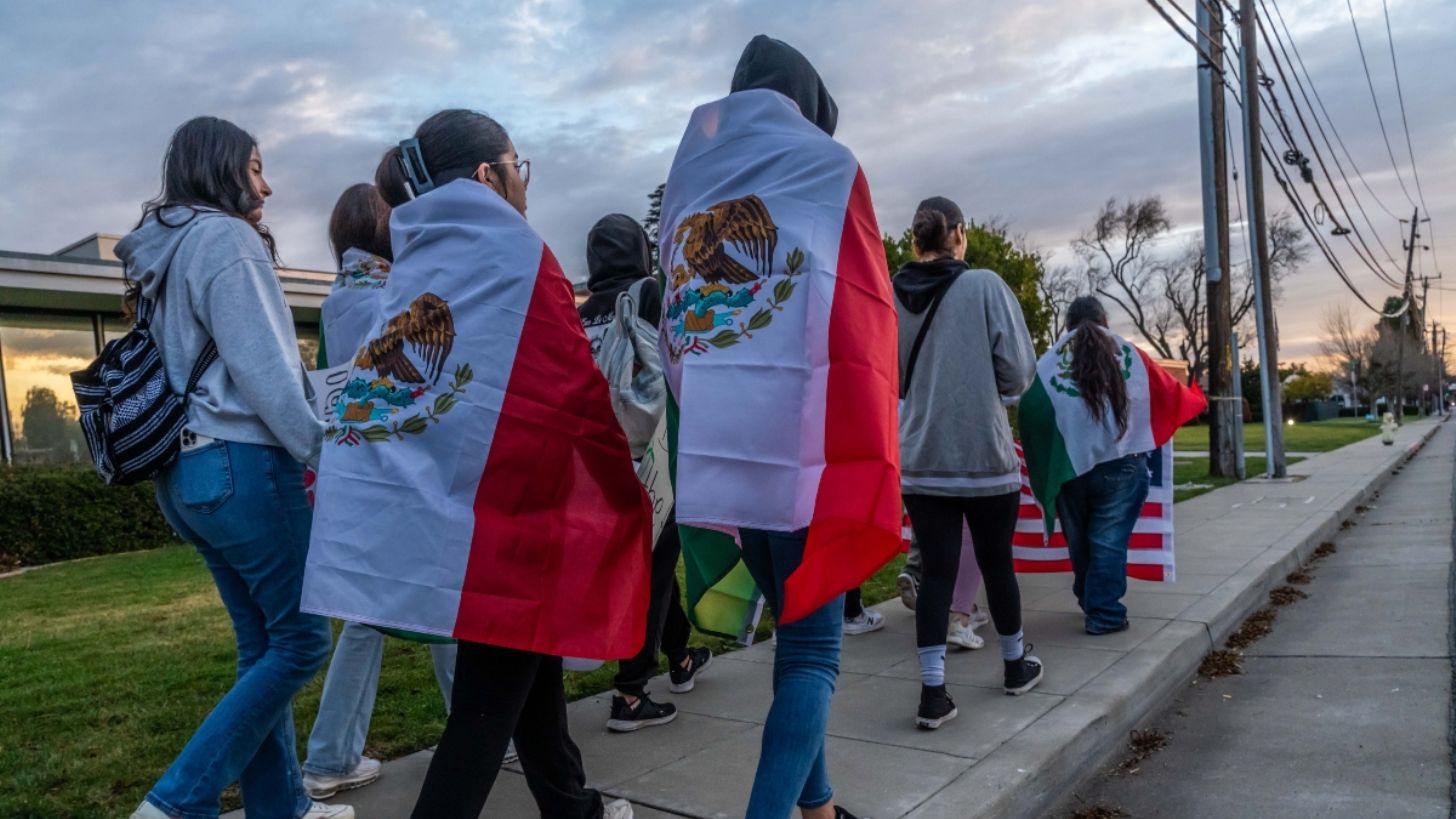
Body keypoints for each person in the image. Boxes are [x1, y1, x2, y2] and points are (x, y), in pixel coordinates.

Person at [305, 109, 644, 819]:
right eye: (519, 164)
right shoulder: (514, 254)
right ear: (490, 173)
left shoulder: (421, 258)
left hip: (462, 509)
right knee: (484, 713)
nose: (525, 181)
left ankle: (571, 805)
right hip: (507, 518)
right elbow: (570, 388)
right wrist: (617, 477)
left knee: (525, 664)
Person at [662, 35, 900, 819]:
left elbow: (678, 333)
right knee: (811, 653)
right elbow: (868, 318)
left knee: (795, 641)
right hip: (806, 455)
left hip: (725, 453)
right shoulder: (829, 173)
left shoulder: (693, 184)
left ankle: (818, 806)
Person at [121, 117, 347, 819]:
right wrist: (322, 448)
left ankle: (281, 808)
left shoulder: (159, 253)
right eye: (255, 168)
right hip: (242, 465)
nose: (266, 184)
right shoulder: (225, 241)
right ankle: (175, 802)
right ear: (223, 168)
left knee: (264, 646)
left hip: (184, 478)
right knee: (303, 640)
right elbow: (266, 371)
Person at [301, 184, 472, 800]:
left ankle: (330, 756)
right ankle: (479, 730)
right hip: (404, 466)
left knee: (369, 616)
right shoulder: (393, 295)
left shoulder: (334, 300)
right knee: (442, 599)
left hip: (355, 470)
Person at [895, 195, 1044, 731]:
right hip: (984, 455)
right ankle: (1013, 665)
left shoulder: (889, 294)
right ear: (959, 233)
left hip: (920, 457)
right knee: (996, 563)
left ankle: (933, 694)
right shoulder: (985, 286)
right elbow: (1019, 375)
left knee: (935, 573)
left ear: (915, 239)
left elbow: (885, 372)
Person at [578, 213, 711, 732]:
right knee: (656, 565)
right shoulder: (647, 294)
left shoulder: (585, 312)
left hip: (599, 461)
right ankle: (630, 693)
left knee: (656, 555)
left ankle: (679, 657)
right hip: (650, 456)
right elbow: (674, 362)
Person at [1020, 296, 1202, 634]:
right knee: (1108, 542)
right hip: (1122, 464)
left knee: (1081, 541)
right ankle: (1103, 612)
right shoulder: (1129, 354)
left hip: (1070, 467)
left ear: (1067, 324)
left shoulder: (1050, 362)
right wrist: (1193, 396)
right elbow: (1164, 392)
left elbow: (1030, 409)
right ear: (1104, 320)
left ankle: (1091, 599)